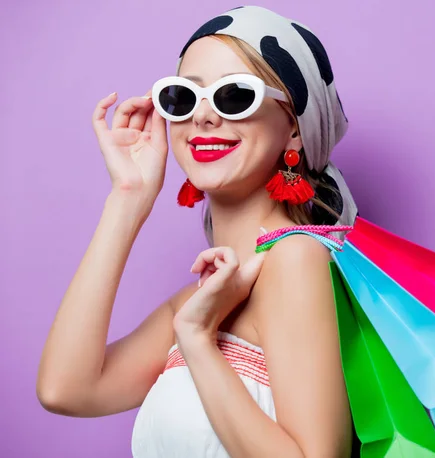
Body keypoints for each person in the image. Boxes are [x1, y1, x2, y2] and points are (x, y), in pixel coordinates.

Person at [36, 5, 360, 458]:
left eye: (233, 95)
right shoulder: (202, 299)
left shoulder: (295, 259)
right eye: (183, 98)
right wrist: (127, 199)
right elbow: (65, 389)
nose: (203, 118)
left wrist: (196, 339)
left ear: (294, 129)